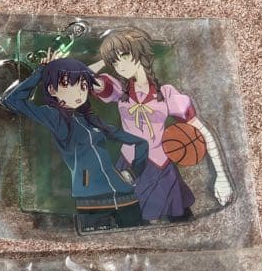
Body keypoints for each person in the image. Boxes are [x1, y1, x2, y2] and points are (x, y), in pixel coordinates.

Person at [0, 50, 149, 233]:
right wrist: (41, 71)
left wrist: (132, 173)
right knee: (96, 245)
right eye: (69, 85)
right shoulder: (54, 117)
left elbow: (141, 143)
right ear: (52, 90)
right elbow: (12, 100)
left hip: (126, 197)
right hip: (92, 200)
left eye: (83, 86)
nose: (78, 92)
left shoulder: (92, 121)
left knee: (140, 238)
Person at [90, 27, 232, 222]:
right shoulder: (120, 91)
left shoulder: (166, 94)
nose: (119, 65)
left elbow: (203, 131)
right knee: (130, 224)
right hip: (129, 164)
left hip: (161, 165)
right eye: (114, 61)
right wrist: (105, 58)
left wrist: (222, 177)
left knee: (181, 221)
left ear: (140, 53)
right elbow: (83, 77)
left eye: (124, 56)